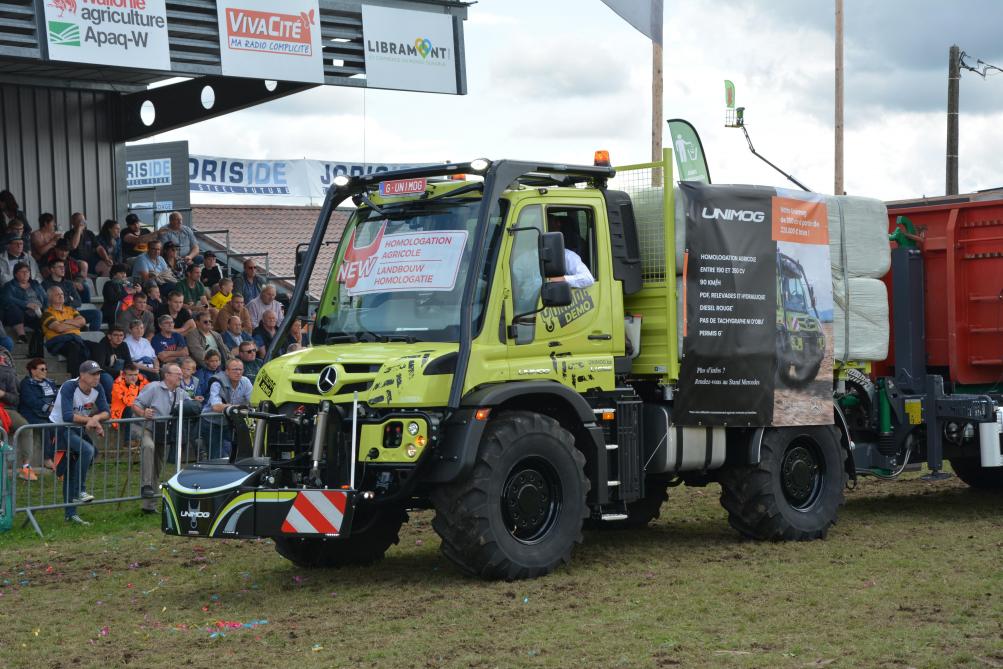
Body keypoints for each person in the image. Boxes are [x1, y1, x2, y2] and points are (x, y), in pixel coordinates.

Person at [50, 361, 110, 525]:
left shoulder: (98, 388)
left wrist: (95, 419)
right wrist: (90, 421)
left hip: (77, 429)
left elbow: (106, 411)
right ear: (82, 375)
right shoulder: (69, 387)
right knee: (87, 451)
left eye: (98, 373)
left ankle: (71, 513)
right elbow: (68, 415)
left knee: (85, 458)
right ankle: (80, 490)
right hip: (61, 429)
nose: (97, 377)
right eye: (93, 374)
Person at [132, 361, 184, 514]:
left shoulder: (180, 392)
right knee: (149, 447)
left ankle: (149, 506)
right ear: (167, 375)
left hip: (163, 431)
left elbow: (189, 405)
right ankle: (146, 486)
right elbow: (135, 404)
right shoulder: (153, 387)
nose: (181, 376)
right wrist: (143, 413)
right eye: (178, 374)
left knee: (157, 466)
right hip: (145, 428)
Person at [202, 358, 252, 459]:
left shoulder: (245, 381)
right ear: (227, 371)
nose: (238, 372)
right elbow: (216, 406)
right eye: (234, 369)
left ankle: (237, 472)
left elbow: (254, 401)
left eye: (240, 369)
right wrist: (237, 408)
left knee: (239, 449)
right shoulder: (217, 382)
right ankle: (215, 472)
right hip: (211, 422)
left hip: (229, 421)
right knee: (215, 455)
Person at [18, 358, 58, 471]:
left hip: (50, 413)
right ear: (33, 371)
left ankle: (61, 457)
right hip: (31, 414)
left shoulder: (50, 382)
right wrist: (49, 407)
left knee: (59, 427)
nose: (45, 371)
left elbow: (57, 397)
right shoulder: (26, 383)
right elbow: (31, 401)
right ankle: (47, 459)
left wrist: (56, 406)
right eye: (42, 369)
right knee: (46, 426)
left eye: (46, 369)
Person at [43, 258, 102, 331]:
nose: (63, 269)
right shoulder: (45, 285)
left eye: (63, 267)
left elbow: (78, 302)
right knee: (82, 326)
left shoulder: (69, 283)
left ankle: (93, 337)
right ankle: (80, 328)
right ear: (52, 269)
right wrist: (69, 299)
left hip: (71, 313)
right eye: (59, 267)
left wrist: (66, 303)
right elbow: (47, 303)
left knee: (96, 314)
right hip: (56, 315)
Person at [0, 346, 31, 481]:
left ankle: (26, 467)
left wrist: (3, 394)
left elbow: (15, 398)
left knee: (25, 427)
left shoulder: (6, 373)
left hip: (6, 409)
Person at [41, 286, 89, 372]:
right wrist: (75, 325)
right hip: (58, 342)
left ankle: (95, 375)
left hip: (75, 339)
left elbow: (83, 321)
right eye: (57, 294)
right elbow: (59, 328)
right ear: (50, 297)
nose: (61, 296)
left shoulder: (71, 309)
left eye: (62, 294)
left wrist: (65, 322)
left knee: (96, 346)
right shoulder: (47, 313)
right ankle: (74, 379)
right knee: (74, 348)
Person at [1, 263, 47, 354]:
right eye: (22, 272)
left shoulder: (35, 283)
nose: (26, 273)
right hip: (23, 313)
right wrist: (26, 304)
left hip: (39, 311)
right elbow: (6, 299)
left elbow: (45, 298)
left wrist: (46, 309)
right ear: (15, 274)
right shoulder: (10, 285)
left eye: (27, 271)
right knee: (13, 309)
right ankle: (22, 336)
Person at [546, 214, 595, 289]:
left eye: (558, 222)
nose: (559, 224)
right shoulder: (528, 256)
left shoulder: (567, 255)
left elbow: (588, 278)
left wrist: (562, 279)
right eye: (555, 222)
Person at [89, 325, 132, 398]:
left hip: (119, 371)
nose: (119, 338)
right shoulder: (101, 346)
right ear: (109, 336)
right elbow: (100, 367)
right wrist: (118, 373)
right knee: (107, 378)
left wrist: (128, 372)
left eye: (121, 335)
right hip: (103, 372)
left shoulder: (124, 345)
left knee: (138, 375)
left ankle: (133, 400)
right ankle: (112, 401)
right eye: (115, 335)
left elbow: (129, 362)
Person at [110, 362, 147, 427]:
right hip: (120, 412)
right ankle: (128, 437)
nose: (134, 378)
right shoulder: (117, 385)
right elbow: (129, 403)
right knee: (130, 409)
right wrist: (133, 386)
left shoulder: (141, 380)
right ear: (124, 375)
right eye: (130, 375)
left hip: (136, 410)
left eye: (136, 375)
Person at [63, 212, 94, 278]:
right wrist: (79, 230)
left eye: (83, 220)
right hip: (74, 260)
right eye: (79, 220)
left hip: (90, 260)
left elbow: (98, 247)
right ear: (73, 223)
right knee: (84, 265)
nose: (82, 222)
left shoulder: (89, 233)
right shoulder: (68, 234)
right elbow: (74, 246)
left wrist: (106, 258)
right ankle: (82, 283)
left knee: (106, 265)